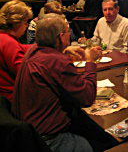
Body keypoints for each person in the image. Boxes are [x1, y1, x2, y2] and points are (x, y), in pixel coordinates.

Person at [12, 13, 102, 152]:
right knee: (90, 142)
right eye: (68, 32)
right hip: (47, 138)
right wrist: (90, 62)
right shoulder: (56, 61)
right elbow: (87, 98)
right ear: (61, 36)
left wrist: (62, 50)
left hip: (26, 131)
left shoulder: (33, 50)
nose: (69, 35)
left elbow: (50, 66)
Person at [0, 0, 33, 101]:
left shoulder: (3, 37)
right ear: (16, 23)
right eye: (25, 22)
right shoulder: (9, 43)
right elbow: (27, 75)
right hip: (12, 99)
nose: (26, 26)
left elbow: (23, 47)